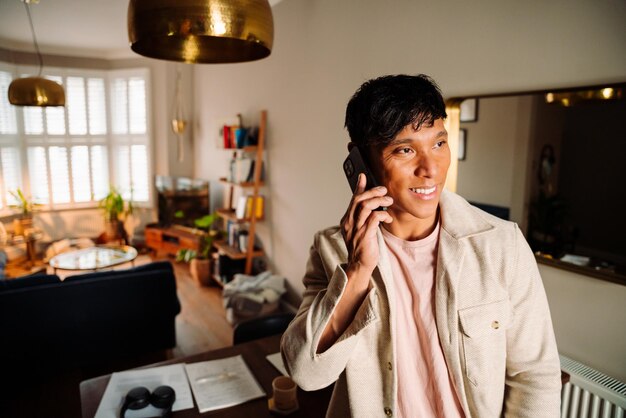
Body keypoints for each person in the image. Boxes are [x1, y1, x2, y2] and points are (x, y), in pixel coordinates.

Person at [280, 74, 561, 417]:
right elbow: (307, 376)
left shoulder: (502, 244)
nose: (431, 169)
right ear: (361, 162)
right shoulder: (332, 249)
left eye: (439, 144)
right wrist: (357, 272)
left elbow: (535, 375)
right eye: (406, 150)